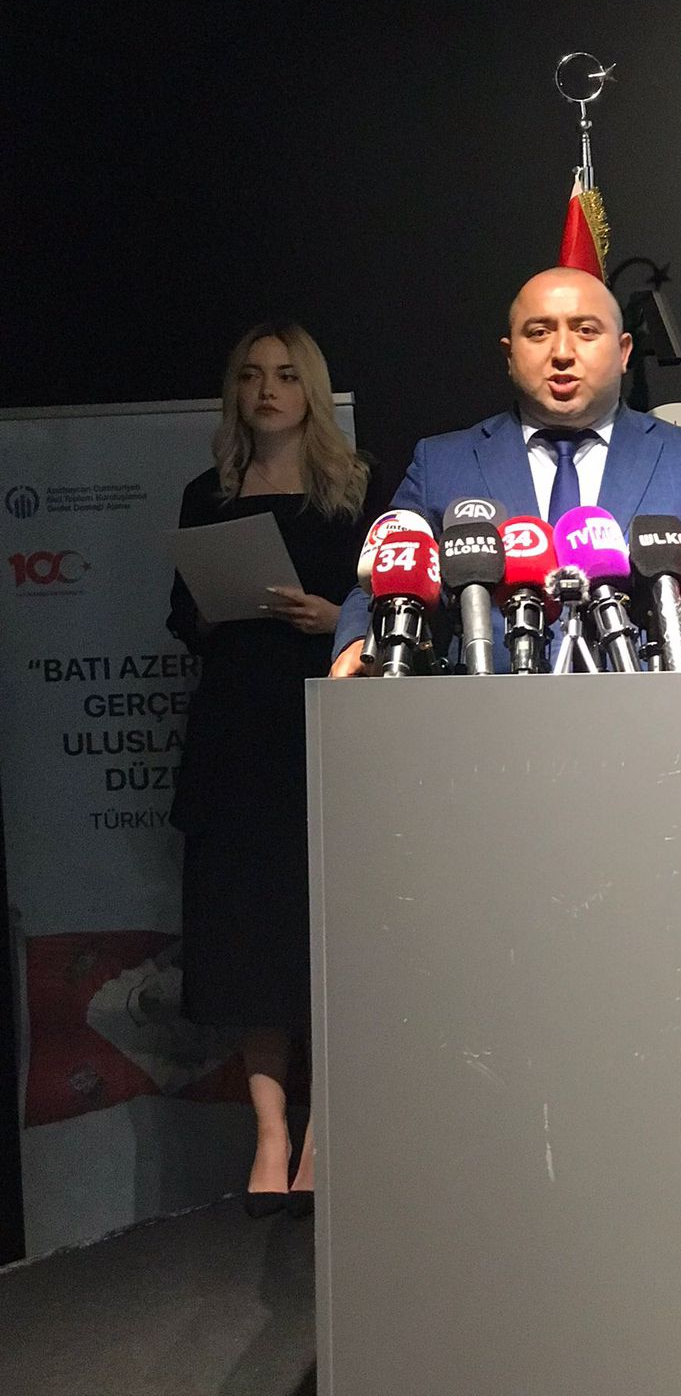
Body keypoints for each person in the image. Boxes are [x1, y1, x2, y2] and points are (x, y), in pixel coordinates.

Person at [331, 266, 681, 699]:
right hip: (483, 727)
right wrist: (356, 642)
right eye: (539, 332)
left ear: (623, 352)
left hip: (653, 727)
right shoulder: (442, 463)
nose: (561, 352)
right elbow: (383, 578)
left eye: (585, 331)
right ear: (509, 355)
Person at [168, 321, 381, 1217]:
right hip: (235, 740)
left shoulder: (356, 490)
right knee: (250, 945)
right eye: (252, 375)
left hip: (323, 727)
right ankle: (269, 1135)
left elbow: (387, 609)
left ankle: (325, 1133)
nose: (267, 390)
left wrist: (331, 617)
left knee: (325, 936)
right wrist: (215, 608)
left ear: (311, 390)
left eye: (287, 375)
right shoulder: (207, 493)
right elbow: (181, 616)